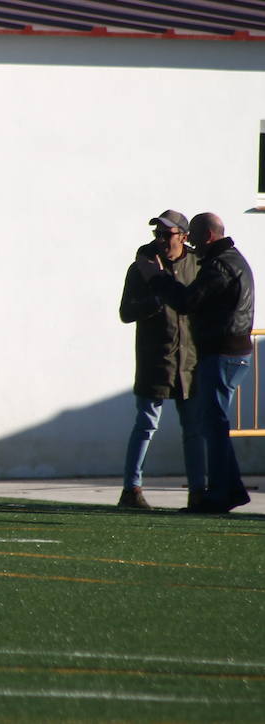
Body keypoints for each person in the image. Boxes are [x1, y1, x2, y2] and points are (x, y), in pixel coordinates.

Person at [143, 212, 255, 513]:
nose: (188, 240)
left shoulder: (219, 266)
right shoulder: (231, 259)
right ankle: (229, 490)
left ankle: (221, 494)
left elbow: (187, 302)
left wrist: (158, 277)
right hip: (232, 353)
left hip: (222, 353)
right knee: (214, 424)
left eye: (192, 234)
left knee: (213, 426)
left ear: (208, 236)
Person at [117, 210, 198, 509]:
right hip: (155, 358)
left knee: (193, 428)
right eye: (158, 234)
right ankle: (132, 489)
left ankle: (198, 490)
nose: (162, 240)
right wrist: (155, 299)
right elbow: (126, 312)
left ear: (184, 236)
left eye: (168, 234)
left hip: (190, 361)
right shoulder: (141, 268)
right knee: (146, 424)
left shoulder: (197, 265)